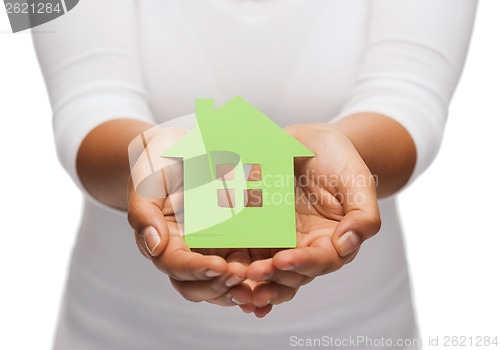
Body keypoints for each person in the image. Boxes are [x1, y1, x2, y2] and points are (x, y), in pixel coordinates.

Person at [32, 0, 477, 349]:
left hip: (359, 326)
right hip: (114, 331)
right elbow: (83, 108)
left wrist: (344, 158)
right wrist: (148, 163)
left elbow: (413, 98)